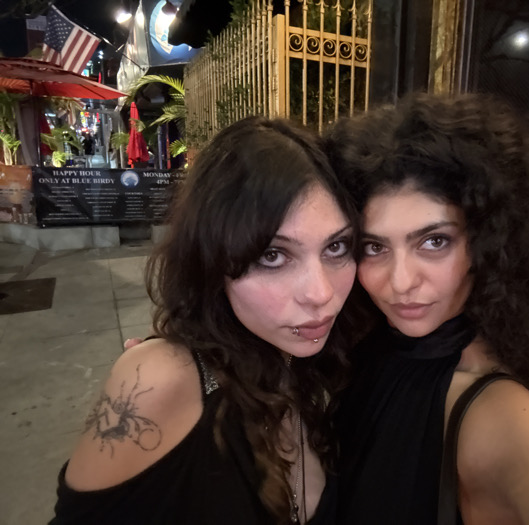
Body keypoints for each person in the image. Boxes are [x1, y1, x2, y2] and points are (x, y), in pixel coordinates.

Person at [324, 93, 529, 524]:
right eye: (374, 247)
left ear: (490, 244)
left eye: (434, 241)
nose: (400, 281)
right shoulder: (365, 354)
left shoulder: (516, 429)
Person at [50, 116, 360, 525]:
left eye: (336, 247)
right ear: (212, 260)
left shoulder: (319, 363)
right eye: (272, 255)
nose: (321, 294)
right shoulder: (159, 379)